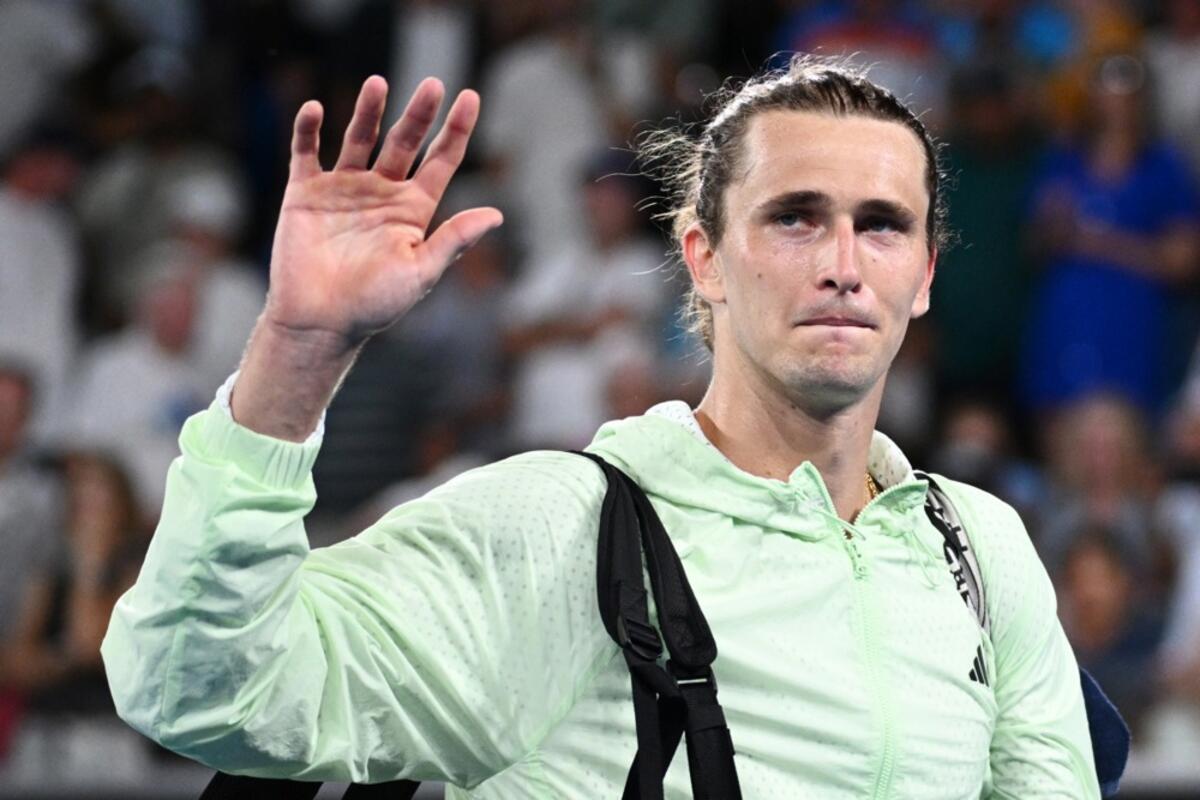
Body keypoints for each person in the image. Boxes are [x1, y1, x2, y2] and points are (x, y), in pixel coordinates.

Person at [102, 58, 1101, 797]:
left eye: (882, 225)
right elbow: (204, 690)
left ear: (923, 275)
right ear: (703, 258)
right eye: (795, 217)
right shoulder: (556, 528)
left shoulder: (980, 549)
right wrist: (297, 347)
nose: (843, 264)